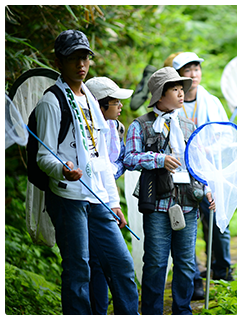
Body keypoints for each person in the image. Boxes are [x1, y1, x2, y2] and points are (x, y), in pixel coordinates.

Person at [34, 30, 139, 314]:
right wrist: (62, 169)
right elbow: (44, 156)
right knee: (78, 269)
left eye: (85, 58)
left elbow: (101, 157)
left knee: (121, 263)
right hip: (68, 198)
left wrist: (114, 201)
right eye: (73, 58)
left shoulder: (92, 101)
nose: (81, 64)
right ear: (59, 61)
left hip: (99, 198)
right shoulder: (51, 102)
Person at [124, 67, 216, 315]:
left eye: (180, 89)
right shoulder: (140, 125)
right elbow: (129, 159)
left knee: (186, 264)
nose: (180, 93)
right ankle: (152, 312)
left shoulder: (187, 124)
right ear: (159, 95)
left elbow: (198, 163)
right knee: (155, 263)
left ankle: (182, 311)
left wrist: (207, 189)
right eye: (174, 89)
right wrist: (159, 159)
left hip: (188, 201)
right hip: (156, 203)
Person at [169, 52, 233, 299]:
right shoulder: (172, 102)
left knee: (217, 220)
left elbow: (227, 135)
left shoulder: (212, 102)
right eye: (188, 71)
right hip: (180, 175)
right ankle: (193, 276)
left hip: (209, 172)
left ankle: (222, 269)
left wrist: (210, 149)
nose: (193, 75)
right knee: (185, 225)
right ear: (179, 76)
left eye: (196, 69)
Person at [85, 76, 133, 314]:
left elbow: (115, 164)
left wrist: (114, 203)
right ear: (100, 105)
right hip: (91, 201)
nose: (120, 106)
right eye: (115, 102)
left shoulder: (114, 128)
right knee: (103, 264)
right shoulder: (88, 132)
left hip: (107, 199)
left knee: (101, 262)